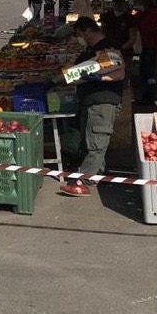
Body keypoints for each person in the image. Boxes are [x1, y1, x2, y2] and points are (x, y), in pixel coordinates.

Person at [59, 16, 125, 197]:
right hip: (91, 100)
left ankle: (82, 181)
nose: (79, 38)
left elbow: (119, 72)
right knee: (91, 140)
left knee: (96, 142)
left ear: (88, 30)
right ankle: (98, 174)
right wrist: (60, 78)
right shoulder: (91, 50)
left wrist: (100, 78)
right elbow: (78, 72)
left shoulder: (108, 46)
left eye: (79, 34)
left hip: (103, 101)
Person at [132, 0, 157, 105]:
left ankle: (150, 94)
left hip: (151, 45)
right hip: (145, 45)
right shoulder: (144, 13)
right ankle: (146, 93)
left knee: (148, 70)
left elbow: (148, 28)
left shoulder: (152, 14)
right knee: (145, 69)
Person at [99, 0, 136, 67]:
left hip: (124, 52)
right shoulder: (106, 16)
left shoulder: (130, 18)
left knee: (122, 73)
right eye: (116, 3)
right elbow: (102, 33)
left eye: (119, 3)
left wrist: (120, 49)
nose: (118, 5)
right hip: (109, 50)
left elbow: (132, 39)